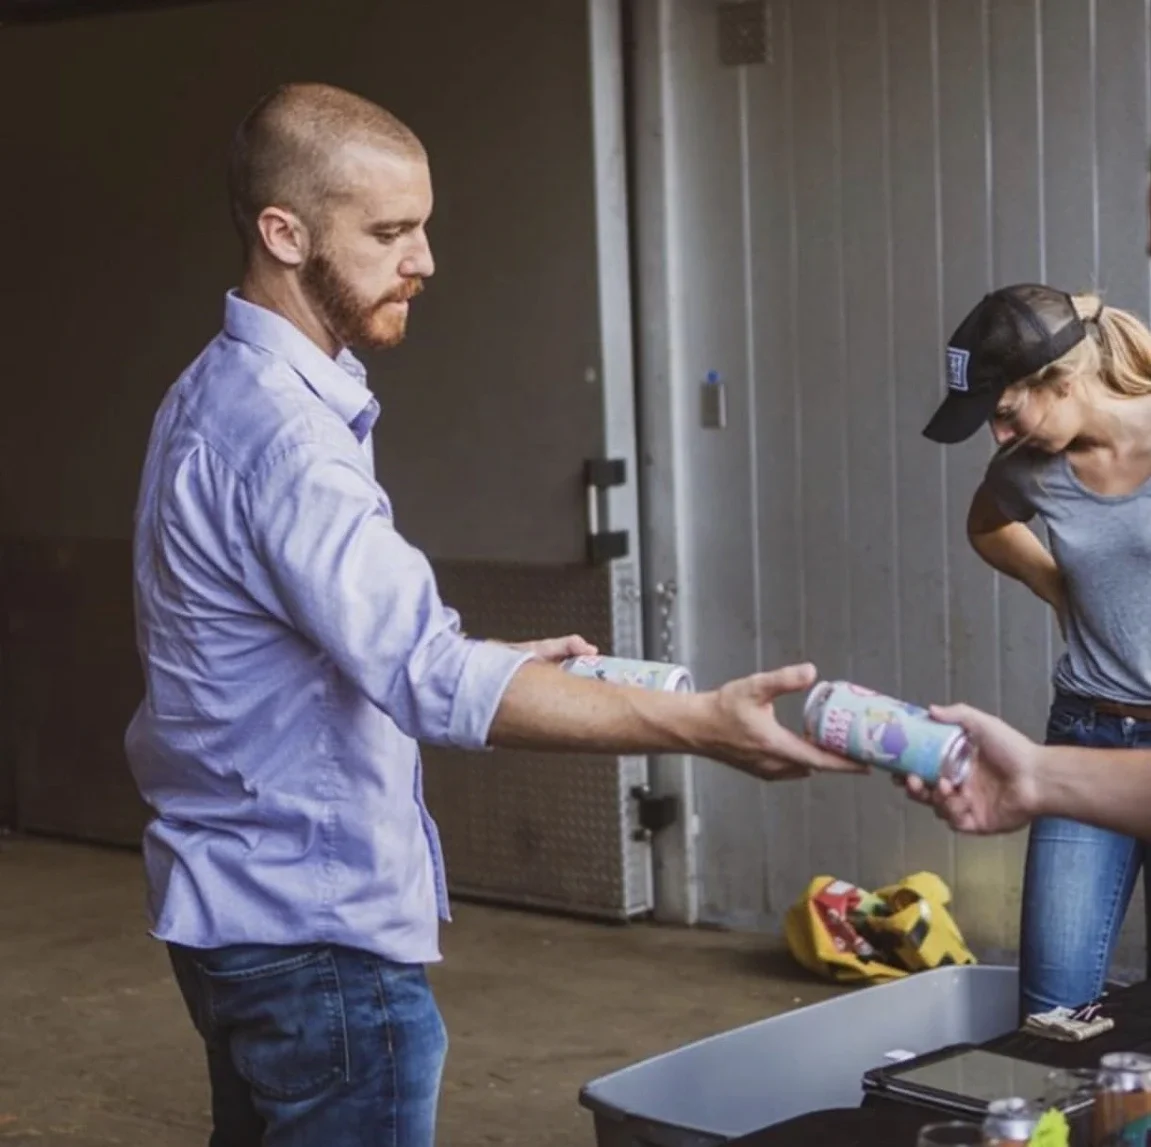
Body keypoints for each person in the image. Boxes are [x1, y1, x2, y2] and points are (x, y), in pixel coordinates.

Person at [124, 81, 858, 1147]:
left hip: (234, 917)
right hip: (316, 941)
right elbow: (426, 678)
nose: (422, 262)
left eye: (423, 227)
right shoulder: (286, 443)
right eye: (388, 233)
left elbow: (290, 639)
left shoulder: (211, 392)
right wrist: (696, 726)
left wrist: (490, 655)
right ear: (282, 233)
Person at [921, 282, 1151, 1019]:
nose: (997, 435)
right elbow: (987, 526)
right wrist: (1056, 586)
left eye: (1003, 411)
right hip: (1084, 733)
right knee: (1049, 1016)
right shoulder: (1027, 466)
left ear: (1058, 380)